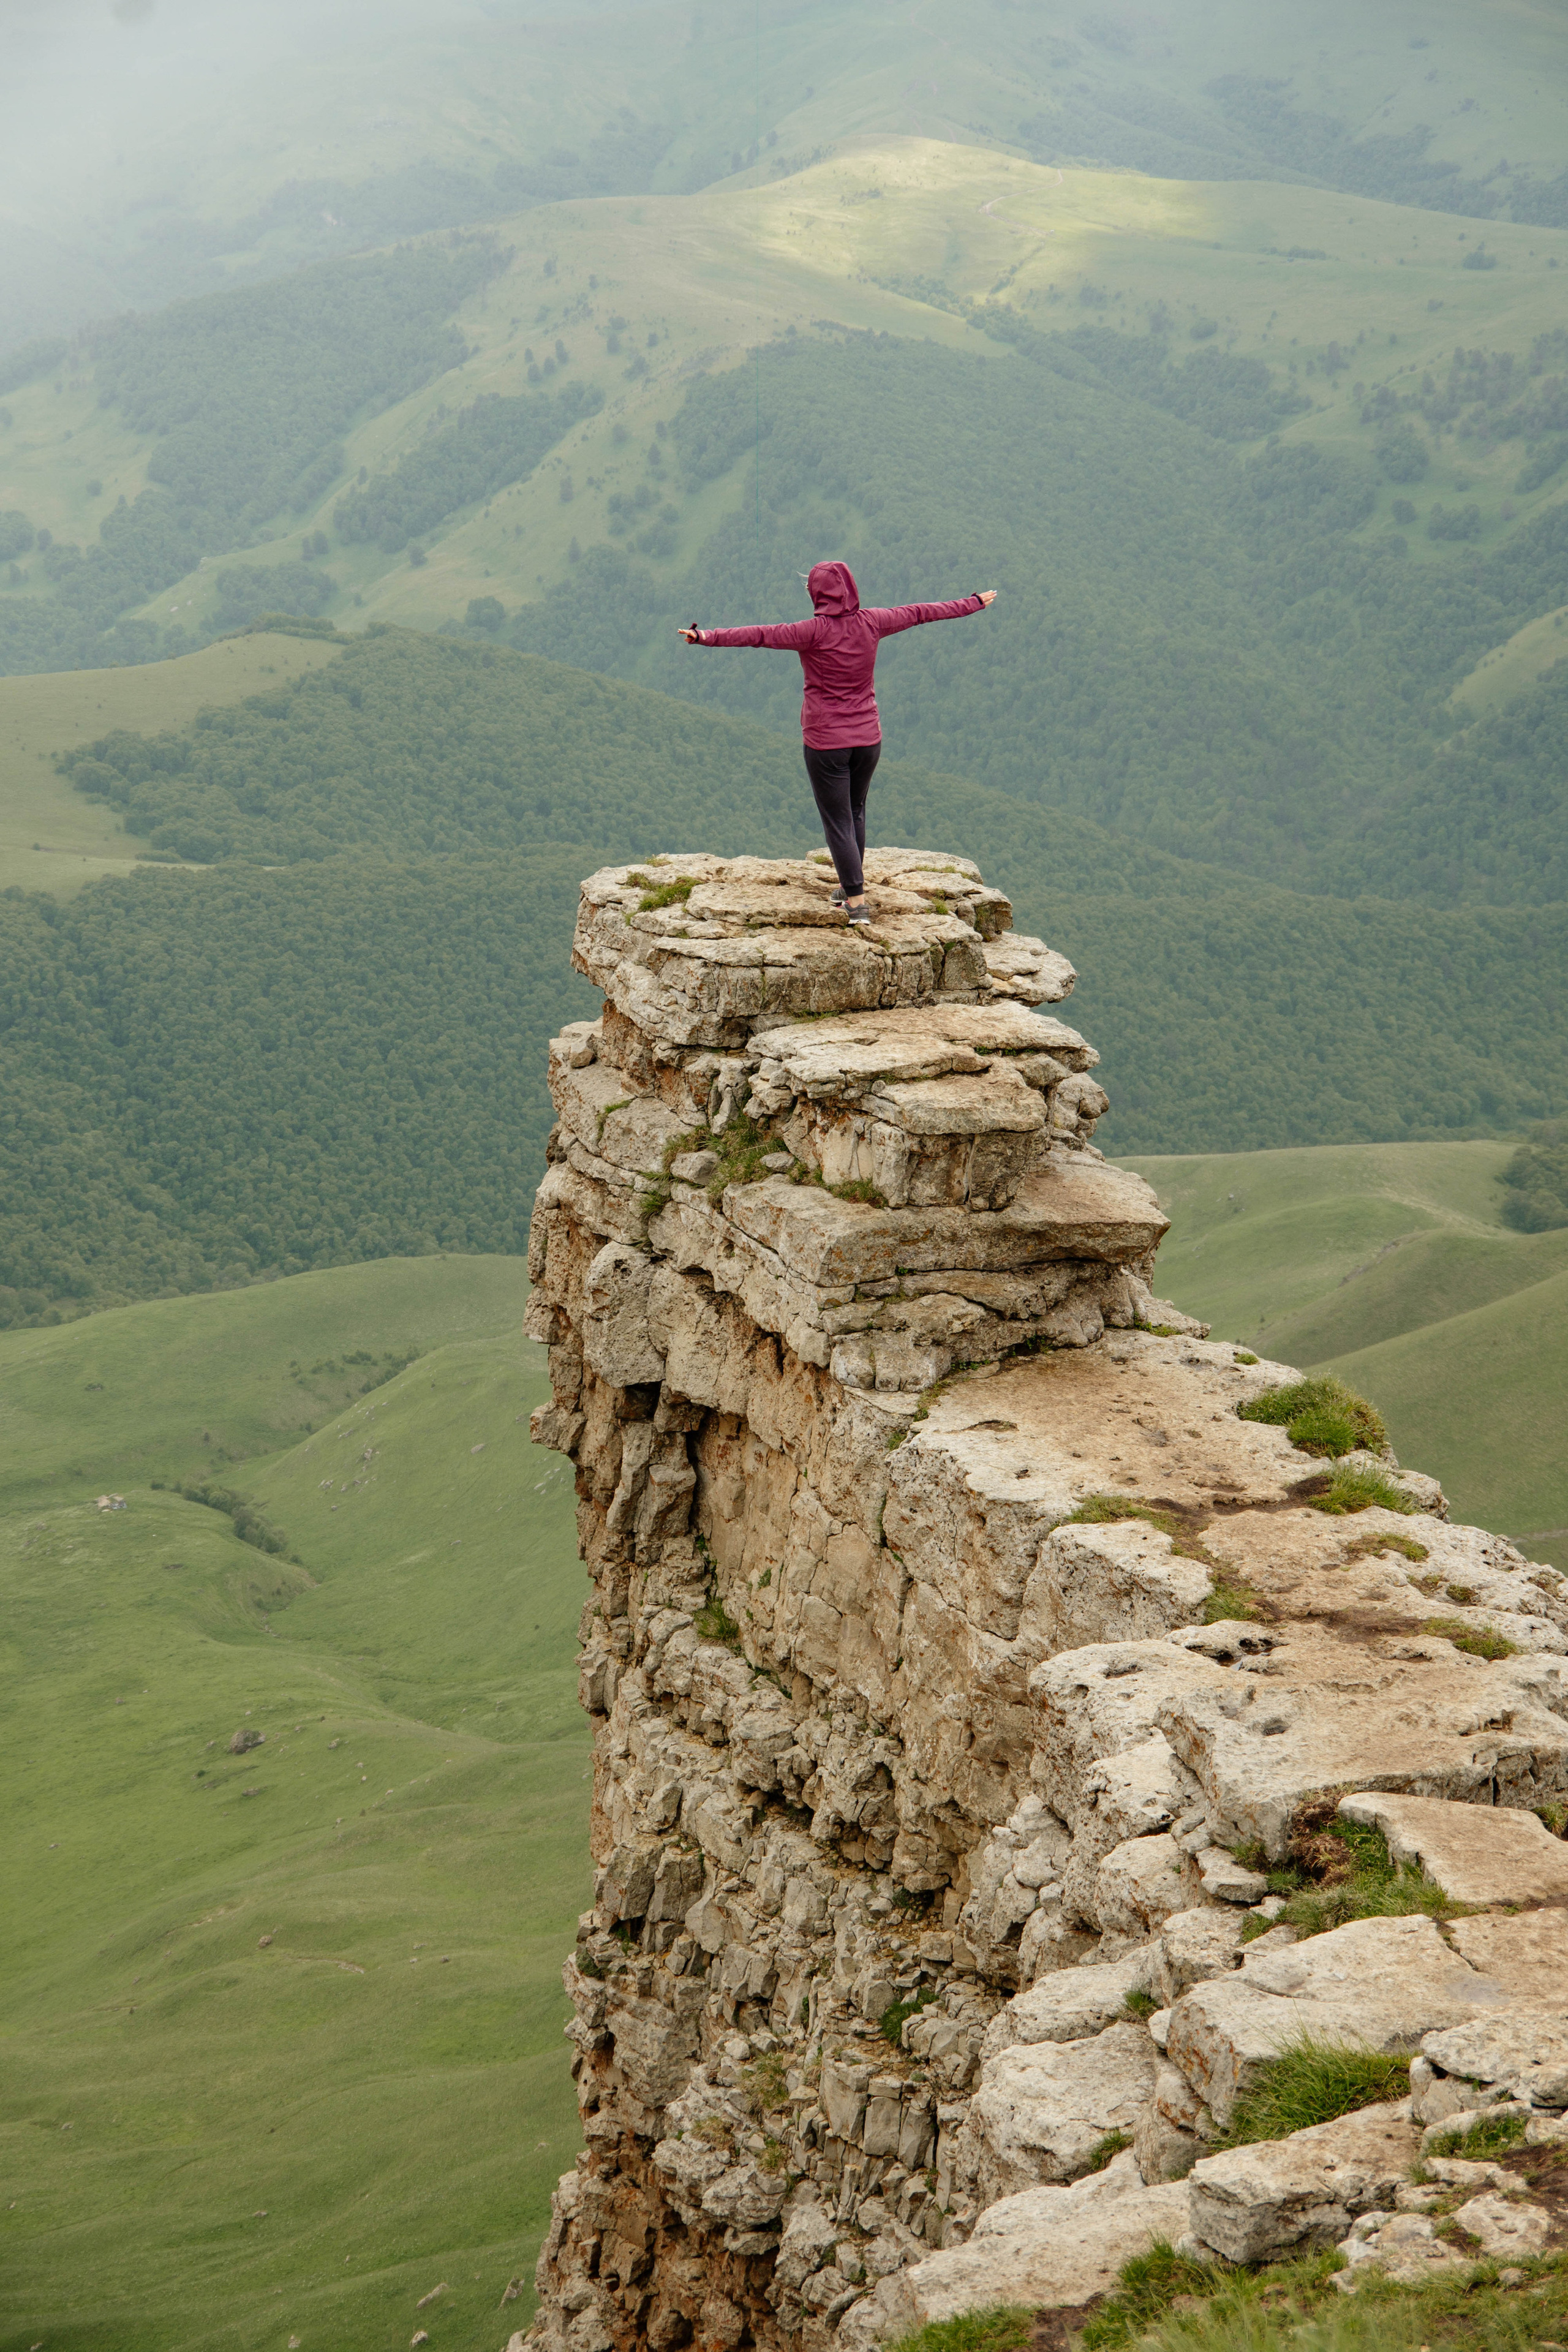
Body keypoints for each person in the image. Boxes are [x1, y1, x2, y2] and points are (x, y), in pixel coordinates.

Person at [679, 561, 997, 924]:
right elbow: (923, 612)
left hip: (826, 741)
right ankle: (849, 887)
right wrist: (972, 603)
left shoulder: (812, 631)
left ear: (817, 594)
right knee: (855, 810)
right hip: (868, 739)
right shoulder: (874, 621)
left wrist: (705, 636)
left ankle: (857, 903)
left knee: (837, 819)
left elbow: (760, 635)